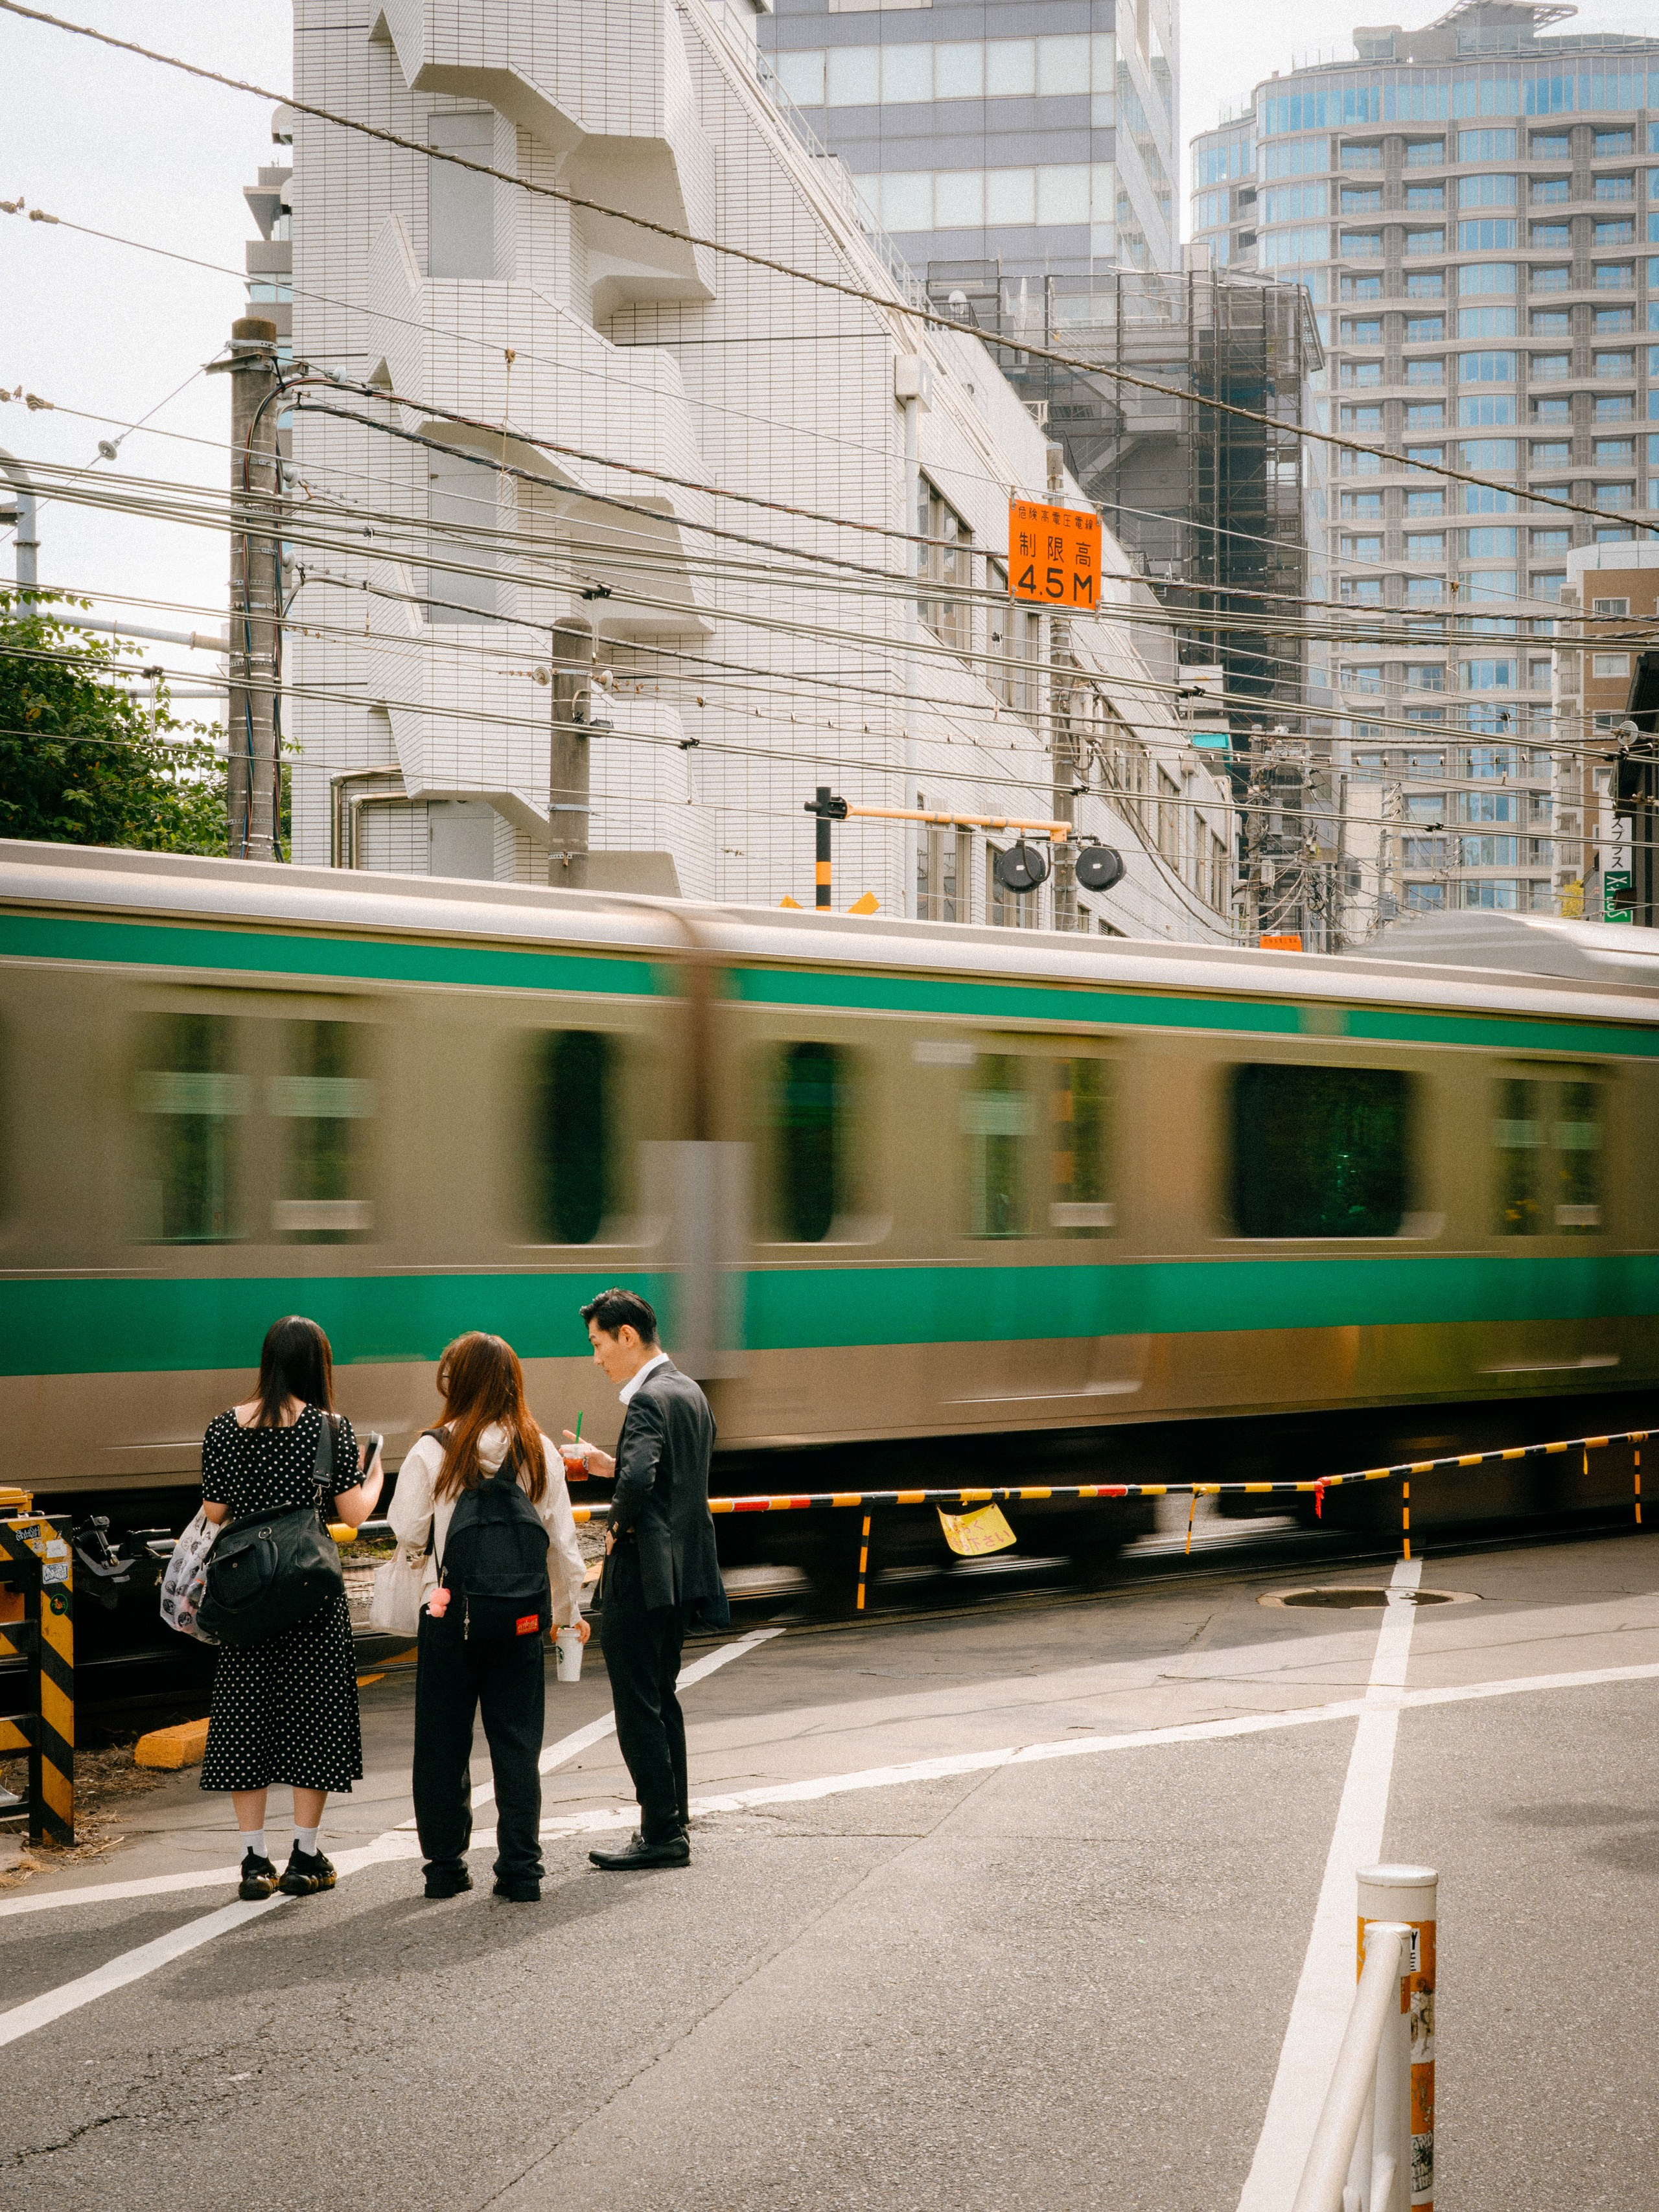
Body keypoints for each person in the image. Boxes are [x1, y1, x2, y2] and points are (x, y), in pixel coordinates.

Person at [391, 1331, 589, 1902]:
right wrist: (564, 1617)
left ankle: (445, 1870)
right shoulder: (540, 1449)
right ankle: (521, 1871)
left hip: (448, 1614)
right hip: (522, 1621)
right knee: (517, 1745)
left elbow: (406, 1531)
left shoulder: (434, 1449)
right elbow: (564, 1550)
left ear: (459, 1383)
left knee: (441, 1745)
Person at [200, 1315, 384, 1902]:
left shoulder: (225, 1427)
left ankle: (255, 1861)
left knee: (245, 1721)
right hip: (309, 1595)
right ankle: (306, 1855)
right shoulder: (330, 1428)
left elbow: (213, 1513)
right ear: (316, 1366)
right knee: (313, 1719)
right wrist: (373, 1473)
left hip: (246, 1596)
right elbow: (354, 1514)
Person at [564, 1288, 727, 1872]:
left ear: (626, 1336)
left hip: (644, 1571)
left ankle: (660, 1832)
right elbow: (666, 1476)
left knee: (636, 1705)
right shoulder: (689, 1391)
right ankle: (673, 1817)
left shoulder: (646, 1401)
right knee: (662, 1696)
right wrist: (608, 1464)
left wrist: (611, 1532)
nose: (596, 1357)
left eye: (599, 1343)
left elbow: (638, 1481)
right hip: (683, 1572)